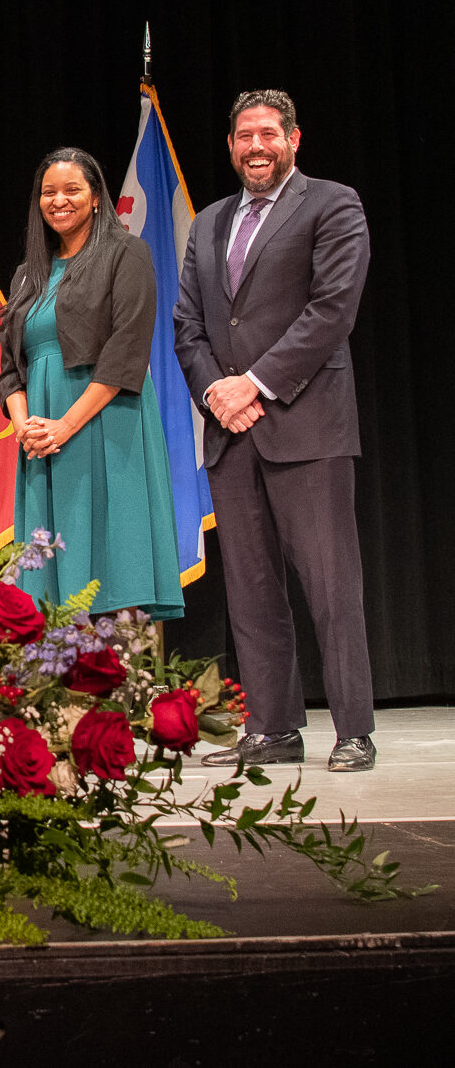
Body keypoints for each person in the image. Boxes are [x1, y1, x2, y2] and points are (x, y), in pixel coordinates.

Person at [174, 89, 374, 771]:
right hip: (231, 433)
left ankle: (354, 730)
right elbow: (190, 327)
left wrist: (251, 384)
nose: (255, 145)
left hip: (306, 423)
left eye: (267, 133)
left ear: (294, 138)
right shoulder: (207, 223)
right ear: (230, 145)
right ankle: (274, 726)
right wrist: (215, 392)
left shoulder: (333, 203)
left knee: (329, 583)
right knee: (253, 592)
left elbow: (331, 310)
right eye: (243, 135)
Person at [0, 147, 184, 621]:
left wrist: (66, 425)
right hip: (41, 436)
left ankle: (116, 681)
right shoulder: (27, 276)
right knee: (51, 576)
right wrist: (26, 429)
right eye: (48, 192)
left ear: (97, 197)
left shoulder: (126, 253)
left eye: (72, 190)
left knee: (107, 563)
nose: (59, 200)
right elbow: (9, 370)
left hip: (103, 422)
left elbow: (126, 352)